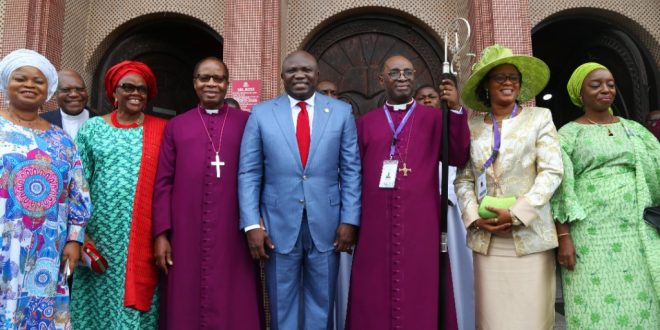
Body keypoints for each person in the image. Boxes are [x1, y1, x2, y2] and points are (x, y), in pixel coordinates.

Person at [238, 50, 361, 329]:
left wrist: (350, 219)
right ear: (282, 76)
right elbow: (249, 172)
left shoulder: (341, 112)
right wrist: (250, 224)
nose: (299, 75)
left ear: (317, 75)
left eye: (306, 70)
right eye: (292, 70)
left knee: (322, 302)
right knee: (281, 304)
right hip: (276, 224)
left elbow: (352, 170)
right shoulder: (261, 113)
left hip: (328, 225)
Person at [346, 55, 470, 329]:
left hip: (422, 225)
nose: (402, 77)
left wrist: (457, 109)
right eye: (394, 73)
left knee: (421, 289)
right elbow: (353, 175)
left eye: (407, 72)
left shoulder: (435, 118)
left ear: (414, 76)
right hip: (374, 226)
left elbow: (460, 156)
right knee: (372, 290)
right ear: (382, 80)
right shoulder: (366, 123)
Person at [454, 44, 563, 329]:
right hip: (488, 240)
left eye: (513, 78)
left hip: (530, 235)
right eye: (500, 77)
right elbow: (463, 178)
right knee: (494, 320)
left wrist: (517, 213)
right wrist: (474, 217)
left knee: (533, 318)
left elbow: (551, 172)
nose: (508, 83)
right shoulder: (472, 126)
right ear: (486, 86)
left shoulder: (539, 118)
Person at [152, 57, 260, 329]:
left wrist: (258, 221)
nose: (211, 84)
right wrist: (161, 233)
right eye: (204, 78)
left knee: (234, 293)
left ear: (227, 84)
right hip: (185, 229)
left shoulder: (248, 122)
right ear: (195, 83)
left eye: (218, 78)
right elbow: (163, 181)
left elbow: (262, 174)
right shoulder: (176, 125)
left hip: (233, 228)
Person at [551, 63, 660, 329]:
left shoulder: (633, 129)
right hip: (590, 235)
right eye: (596, 85)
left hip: (637, 232)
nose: (605, 90)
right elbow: (559, 187)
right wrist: (564, 236)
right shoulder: (568, 134)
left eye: (610, 84)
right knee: (593, 303)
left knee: (642, 300)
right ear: (580, 93)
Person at [71, 60, 167, 329]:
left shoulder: (162, 130)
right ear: (114, 92)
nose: (136, 93)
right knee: (95, 303)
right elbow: (78, 185)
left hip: (142, 235)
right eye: (128, 87)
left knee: (136, 301)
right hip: (99, 235)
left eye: (142, 89)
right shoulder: (92, 129)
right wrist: (80, 234)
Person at [0, 49, 91, 329]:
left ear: (48, 89)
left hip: (46, 251)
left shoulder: (62, 140)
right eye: (21, 79)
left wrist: (75, 241)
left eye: (38, 81)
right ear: (7, 83)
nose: (29, 85)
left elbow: (78, 194)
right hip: (4, 243)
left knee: (39, 313)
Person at [415, 84, 476, 330]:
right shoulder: (412, 127)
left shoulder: (451, 122)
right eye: (422, 98)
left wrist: (455, 109)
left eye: (432, 97)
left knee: (458, 268)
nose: (428, 101)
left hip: (455, 208)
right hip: (425, 209)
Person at [40, 69, 97, 139]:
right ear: (54, 94)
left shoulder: (103, 122)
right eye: (66, 90)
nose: (74, 94)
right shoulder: (41, 122)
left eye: (80, 89)